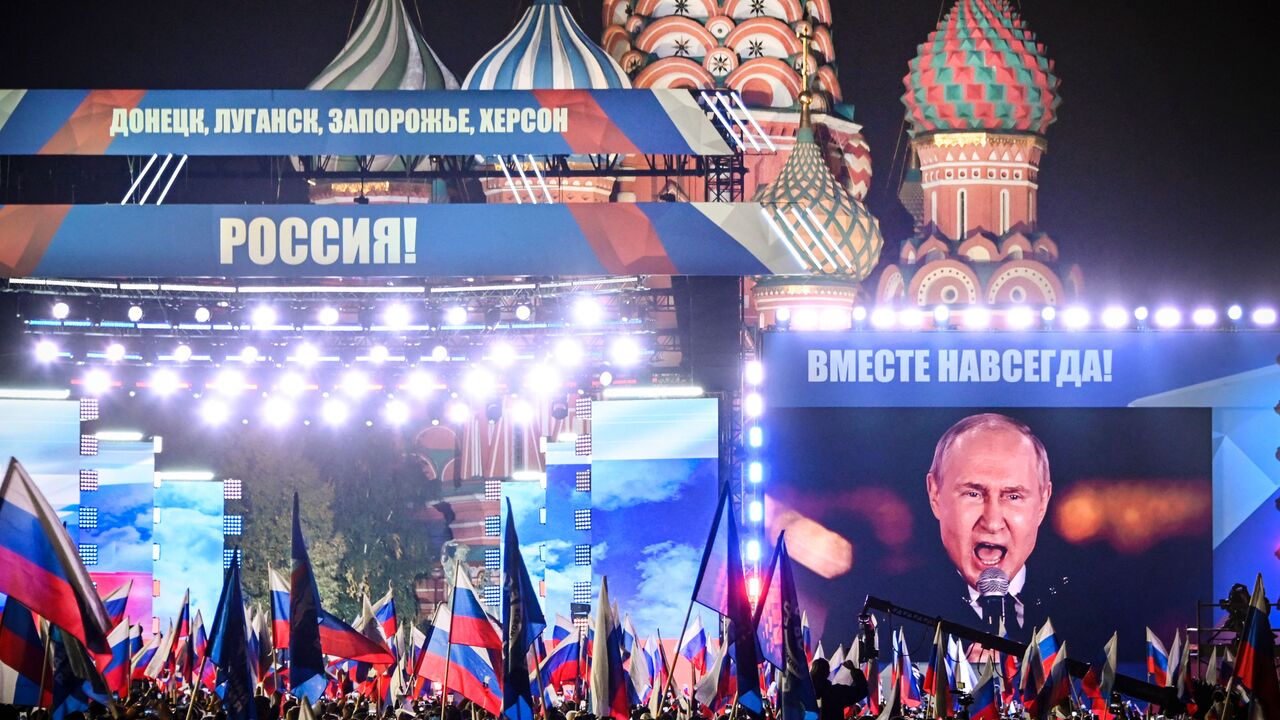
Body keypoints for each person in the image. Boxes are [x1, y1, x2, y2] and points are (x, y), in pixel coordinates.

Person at [925, 413, 1053, 634]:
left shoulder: (1094, 614)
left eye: (1013, 496)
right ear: (935, 495)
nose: (992, 523)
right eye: (973, 493)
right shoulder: (889, 615)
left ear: (1042, 503)